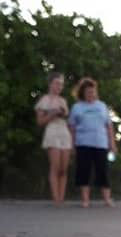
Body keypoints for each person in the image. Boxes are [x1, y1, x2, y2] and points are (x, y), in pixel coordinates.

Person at [68, 77, 117, 208]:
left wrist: (112, 143)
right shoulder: (77, 107)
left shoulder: (102, 106)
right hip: (83, 143)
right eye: (89, 91)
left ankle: (107, 199)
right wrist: (72, 145)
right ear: (83, 92)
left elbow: (109, 126)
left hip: (101, 143)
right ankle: (85, 200)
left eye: (93, 91)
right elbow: (72, 127)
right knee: (83, 170)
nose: (91, 94)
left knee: (103, 170)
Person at [35, 72, 72, 206]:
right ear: (50, 84)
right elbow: (40, 122)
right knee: (55, 166)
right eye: (57, 83)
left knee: (63, 167)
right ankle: (56, 198)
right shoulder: (44, 100)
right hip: (52, 131)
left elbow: (66, 117)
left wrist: (61, 113)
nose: (59, 86)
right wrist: (52, 113)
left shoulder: (63, 101)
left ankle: (61, 198)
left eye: (61, 84)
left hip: (64, 131)